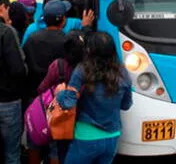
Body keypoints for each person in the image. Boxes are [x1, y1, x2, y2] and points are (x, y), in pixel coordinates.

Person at [56, 32, 133, 164]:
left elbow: (68, 103)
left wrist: (60, 93)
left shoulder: (82, 70)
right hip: (112, 138)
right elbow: (126, 105)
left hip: (85, 137)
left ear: (89, 50)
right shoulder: (122, 72)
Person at [36, 31, 86, 164]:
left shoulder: (57, 66)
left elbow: (41, 89)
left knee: (57, 151)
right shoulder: (89, 69)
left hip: (60, 120)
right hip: (82, 120)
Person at [0, 0, 27, 164]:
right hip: (7, 102)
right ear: (1, 8)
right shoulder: (6, 32)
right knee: (12, 154)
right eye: (7, 9)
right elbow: (18, 69)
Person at [22, 0, 94, 46]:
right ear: (63, 20)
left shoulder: (31, 30)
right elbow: (89, 46)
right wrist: (86, 27)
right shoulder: (74, 25)